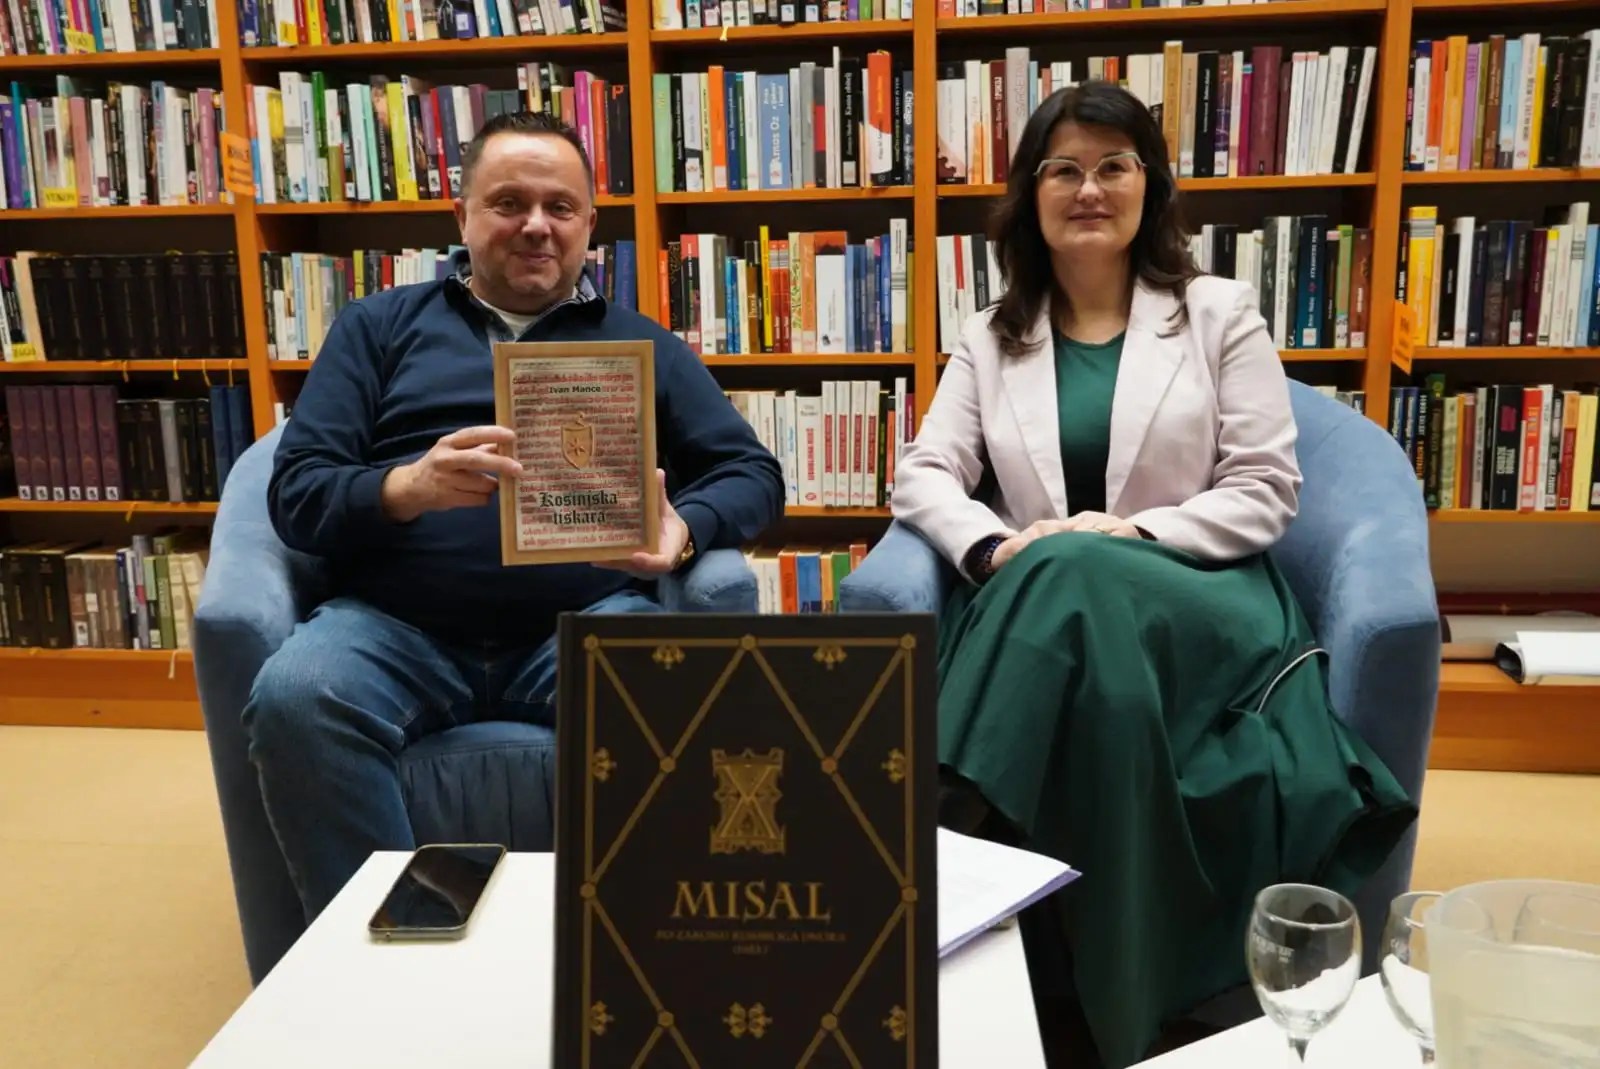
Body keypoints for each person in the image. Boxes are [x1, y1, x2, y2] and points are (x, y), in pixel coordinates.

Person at [890, 83, 1417, 1067]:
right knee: (1080, 613)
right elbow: (922, 473)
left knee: (1074, 561)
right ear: (1031, 193)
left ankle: (924, 838)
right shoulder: (990, 333)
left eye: (1112, 166)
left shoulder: (1219, 313)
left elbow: (1265, 490)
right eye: (1063, 169)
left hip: (1200, 594)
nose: (1088, 188)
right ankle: (1120, 1014)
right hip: (1057, 610)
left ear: (1149, 183)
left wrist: (1128, 530)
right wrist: (993, 547)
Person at [245, 111, 785, 922]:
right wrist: (407, 486)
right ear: (461, 216)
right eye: (508, 203)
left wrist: (684, 532)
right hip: (395, 626)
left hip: (582, 622)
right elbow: (297, 490)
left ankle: (622, 939)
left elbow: (753, 474)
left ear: (589, 225)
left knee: (677, 690)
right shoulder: (377, 328)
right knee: (295, 695)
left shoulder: (640, 344)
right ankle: (395, 953)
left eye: (559, 207)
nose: (536, 225)